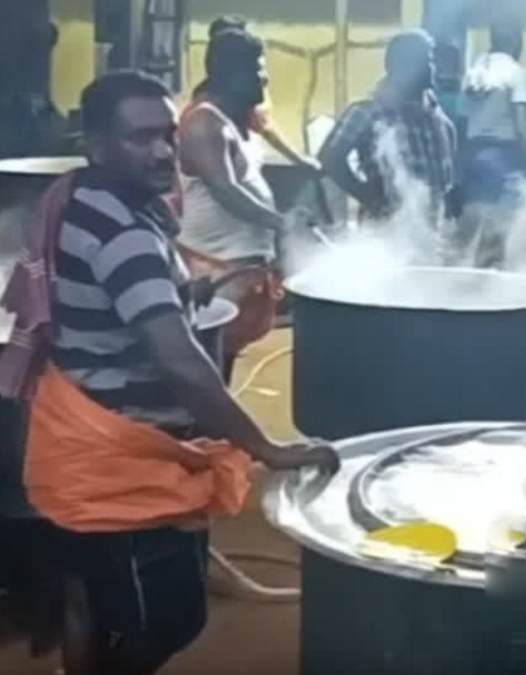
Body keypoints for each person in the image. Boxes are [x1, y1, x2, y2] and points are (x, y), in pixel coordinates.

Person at [0, 70, 337, 675]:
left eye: (165, 134)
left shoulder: (79, 197)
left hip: (73, 449)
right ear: (98, 144)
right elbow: (180, 360)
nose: (161, 151)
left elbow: (114, 297)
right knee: (173, 619)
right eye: (139, 138)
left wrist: (188, 287)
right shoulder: (126, 234)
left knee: (91, 602)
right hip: (119, 468)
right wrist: (267, 448)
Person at [177, 29, 287, 373]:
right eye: (256, 69)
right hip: (212, 270)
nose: (264, 77)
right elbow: (225, 190)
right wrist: (282, 223)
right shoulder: (205, 124)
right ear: (229, 75)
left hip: (240, 268)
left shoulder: (240, 123)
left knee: (222, 356)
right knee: (204, 359)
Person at [320, 30, 458, 237]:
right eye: (427, 60)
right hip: (386, 231)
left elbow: (448, 180)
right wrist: (366, 194)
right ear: (402, 66)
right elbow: (330, 157)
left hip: (432, 233)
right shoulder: (368, 112)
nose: (433, 68)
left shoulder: (440, 121)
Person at [184, 16, 318, 175]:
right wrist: (299, 160)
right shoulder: (211, 105)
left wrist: (299, 160)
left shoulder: (245, 93)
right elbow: (223, 186)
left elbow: (264, 125)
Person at [458, 18, 526, 267]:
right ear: (516, 42)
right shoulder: (516, 72)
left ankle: (452, 280)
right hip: (502, 155)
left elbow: (462, 118)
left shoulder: (474, 73)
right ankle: (486, 285)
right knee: (497, 228)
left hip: (473, 153)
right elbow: (522, 126)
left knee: (469, 225)